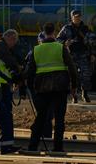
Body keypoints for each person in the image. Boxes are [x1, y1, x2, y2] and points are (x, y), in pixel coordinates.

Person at [25, 22, 79, 154]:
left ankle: (32, 146)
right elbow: (72, 68)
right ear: (54, 32)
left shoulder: (36, 50)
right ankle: (58, 147)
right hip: (60, 87)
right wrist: (74, 86)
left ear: (44, 33)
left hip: (42, 89)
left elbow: (29, 72)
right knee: (59, 119)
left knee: (41, 117)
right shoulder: (60, 48)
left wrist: (25, 85)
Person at [57, 9, 92, 102]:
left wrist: (92, 53)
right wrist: (65, 43)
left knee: (85, 75)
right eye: (75, 17)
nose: (77, 19)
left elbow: (92, 42)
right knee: (72, 76)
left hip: (83, 54)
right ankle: (74, 95)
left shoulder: (85, 28)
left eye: (79, 17)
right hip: (71, 55)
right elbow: (58, 39)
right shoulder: (66, 28)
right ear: (71, 17)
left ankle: (85, 93)